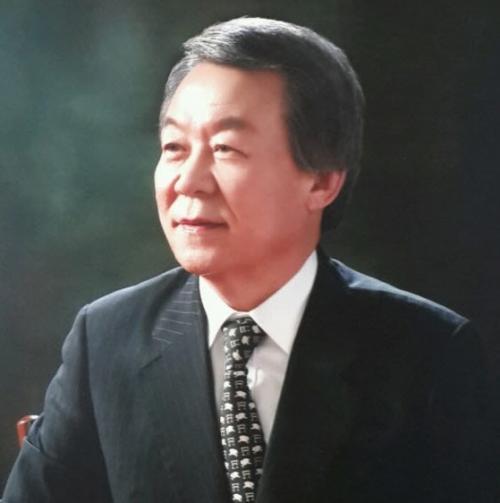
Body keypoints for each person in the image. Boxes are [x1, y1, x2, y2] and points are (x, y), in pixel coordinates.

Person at [2, 17, 497, 503]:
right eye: (174, 147)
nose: (188, 181)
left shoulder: (427, 351)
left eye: (226, 148)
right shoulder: (107, 338)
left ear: (322, 180)